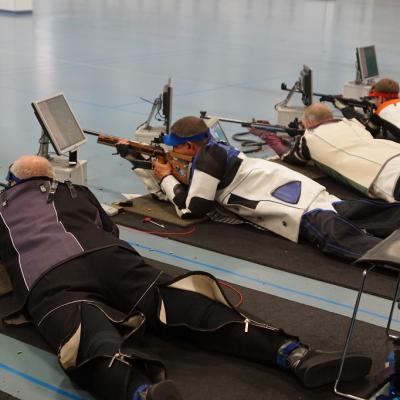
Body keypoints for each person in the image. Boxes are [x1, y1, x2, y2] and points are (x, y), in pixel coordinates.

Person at [0, 155, 372, 400]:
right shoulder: (76, 191)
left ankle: (142, 392)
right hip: (110, 257)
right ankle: (293, 354)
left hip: (50, 276)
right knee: (182, 302)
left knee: (87, 334)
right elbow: (108, 230)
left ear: (10, 182)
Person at [143, 116, 400, 262]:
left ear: (189, 147)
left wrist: (165, 178)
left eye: (175, 147)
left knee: (356, 246)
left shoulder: (207, 159)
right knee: (376, 213)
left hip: (301, 211)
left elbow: (192, 209)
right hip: (311, 194)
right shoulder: (217, 148)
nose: (172, 151)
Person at [282, 102, 400, 202]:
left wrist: (273, 139)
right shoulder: (354, 124)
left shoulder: (309, 138)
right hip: (393, 152)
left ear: (308, 123)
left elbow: (291, 158)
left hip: (387, 174)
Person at [336, 78, 400, 140]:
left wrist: (346, 110)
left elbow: (368, 134)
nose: (374, 102)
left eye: (374, 98)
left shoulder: (381, 111)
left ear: (380, 98)